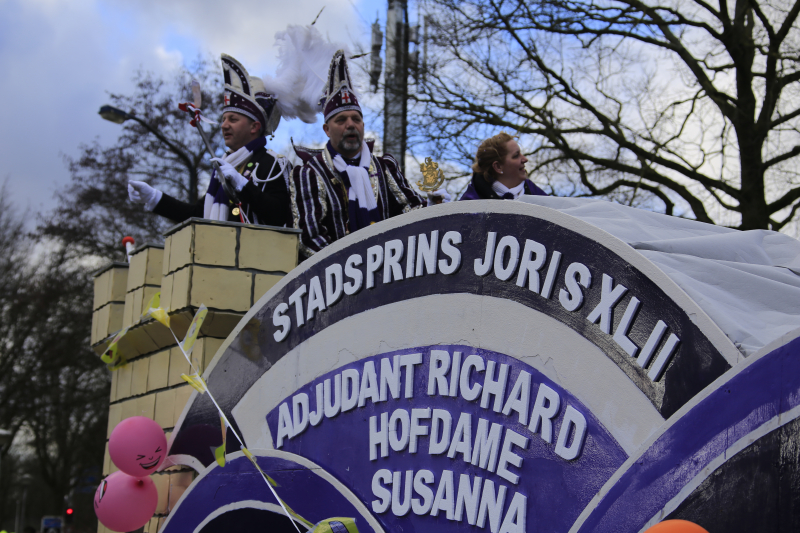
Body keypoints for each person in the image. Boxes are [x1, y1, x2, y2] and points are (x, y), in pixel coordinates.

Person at [128, 54, 293, 227]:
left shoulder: (274, 164)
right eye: (223, 119)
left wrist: (242, 184)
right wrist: (154, 197)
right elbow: (197, 215)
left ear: (254, 127)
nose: (224, 125)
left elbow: (279, 215)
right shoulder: (225, 166)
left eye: (233, 120)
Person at [291, 50, 425, 257]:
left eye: (356, 119)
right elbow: (309, 238)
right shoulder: (310, 173)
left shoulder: (385, 167)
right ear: (327, 129)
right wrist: (355, 271)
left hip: (391, 272)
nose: (351, 125)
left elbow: (414, 210)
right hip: (335, 281)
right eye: (341, 120)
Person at [459, 132, 547, 200]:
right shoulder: (469, 207)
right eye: (516, 155)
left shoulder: (538, 195)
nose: (525, 159)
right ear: (498, 167)